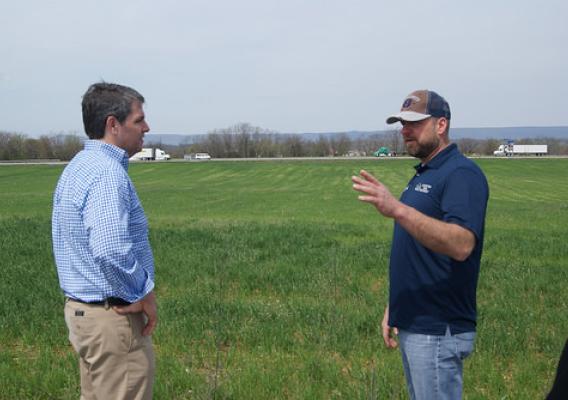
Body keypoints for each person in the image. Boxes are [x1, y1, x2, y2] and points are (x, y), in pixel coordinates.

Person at [352, 90, 489, 399]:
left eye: (414, 123)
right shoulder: (426, 173)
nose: (404, 130)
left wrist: (397, 209)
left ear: (441, 125)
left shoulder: (461, 174)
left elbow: (462, 243)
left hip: (438, 328)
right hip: (416, 321)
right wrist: (396, 305)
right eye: (402, 123)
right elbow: (418, 250)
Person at [52, 82, 157, 399]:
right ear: (113, 124)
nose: (146, 127)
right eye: (138, 120)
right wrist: (141, 294)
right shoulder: (106, 173)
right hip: (113, 320)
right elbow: (110, 250)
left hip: (86, 316)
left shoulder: (79, 166)